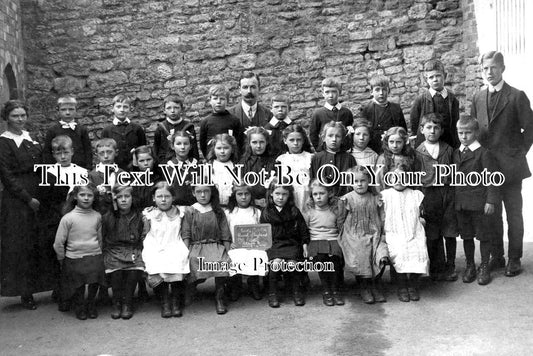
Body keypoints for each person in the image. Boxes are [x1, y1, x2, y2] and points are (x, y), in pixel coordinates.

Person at [470, 50, 533, 276]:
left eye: (493, 68)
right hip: (488, 169)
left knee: (513, 213)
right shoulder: (478, 97)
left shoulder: (517, 96)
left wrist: (518, 153)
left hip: (512, 168)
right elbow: (473, 130)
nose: (489, 72)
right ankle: (497, 256)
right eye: (485, 68)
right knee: (491, 213)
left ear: (502, 68)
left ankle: (514, 258)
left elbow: (530, 129)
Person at [0, 100, 56, 309]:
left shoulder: (29, 139)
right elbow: (6, 176)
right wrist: (27, 198)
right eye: (15, 116)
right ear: (7, 118)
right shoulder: (3, 143)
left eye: (23, 115)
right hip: (17, 202)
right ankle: (25, 293)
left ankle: (44, 287)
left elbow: (41, 166)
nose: (20, 119)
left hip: (37, 196)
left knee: (38, 242)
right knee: (21, 246)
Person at [453, 117, 499, 285]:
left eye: (468, 132)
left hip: (479, 203)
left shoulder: (484, 153)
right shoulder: (455, 153)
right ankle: (470, 265)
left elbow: (492, 180)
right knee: (466, 236)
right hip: (461, 203)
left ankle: (485, 266)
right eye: (460, 133)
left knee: (483, 236)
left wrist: (491, 201)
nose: (464, 136)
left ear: (476, 133)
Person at [414, 113, 458, 281]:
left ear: (441, 130)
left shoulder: (448, 149)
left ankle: (451, 264)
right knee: (433, 232)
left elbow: (455, 174)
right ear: (422, 130)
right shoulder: (418, 152)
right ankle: (436, 266)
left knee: (450, 231)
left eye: (436, 128)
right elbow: (416, 178)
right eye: (429, 128)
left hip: (446, 194)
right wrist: (419, 201)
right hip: (428, 194)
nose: (432, 131)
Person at [53, 184, 106, 320]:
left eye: (90, 195)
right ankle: (80, 306)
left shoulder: (97, 216)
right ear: (75, 197)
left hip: (94, 254)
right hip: (74, 256)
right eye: (83, 195)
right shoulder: (68, 218)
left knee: (95, 280)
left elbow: (100, 238)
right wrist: (61, 259)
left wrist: (100, 254)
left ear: (94, 198)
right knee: (79, 283)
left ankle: (91, 304)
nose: (86, 198)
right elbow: (59, 242)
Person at [338, 167, 389, 304]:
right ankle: (364, 287)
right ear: (350, 182)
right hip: (354, 235)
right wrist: (344, 235)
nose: (359, 184)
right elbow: (340, 220)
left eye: (363, 181)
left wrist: (382, 232)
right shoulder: (347, 199)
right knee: (362, 254)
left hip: (374, 234)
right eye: (355, 181)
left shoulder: (375, 198)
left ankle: (375, 285)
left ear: (369, 181)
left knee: (381, 253)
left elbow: (381, 216)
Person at [381, 165, 429, 302]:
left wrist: (422, 217)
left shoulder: (415, 195)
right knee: (400, 252)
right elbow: (381, 216)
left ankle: (412, 285)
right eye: (395, 177)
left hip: (413, 231)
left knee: (418, 250)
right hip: (394, 232)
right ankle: (402, 286)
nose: (399, 180)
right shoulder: (385, 195)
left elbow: (422, 213)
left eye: (403, 177)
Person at [182, 185, 232, 314]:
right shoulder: (190, 210)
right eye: (199, 192)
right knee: (193, 260)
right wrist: (185, 252)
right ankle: (190, 289)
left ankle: (219, 297)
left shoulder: (217, 210)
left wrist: (228, 251)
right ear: (193, 193)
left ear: (211, 192)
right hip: (197, 246)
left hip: (215, 245)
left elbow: (225, 233)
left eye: (206, 191)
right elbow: (186, 233)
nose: (203, 195)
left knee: (222, 261)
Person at [142, 182, 190, 318]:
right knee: (155, 263)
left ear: (173, 198)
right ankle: (165, 302)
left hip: (174, 243)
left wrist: (185, 249)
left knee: (177, 260)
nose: (163, 200)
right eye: (160, 196)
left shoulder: (180, 212)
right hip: (155, 245)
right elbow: (144, 234)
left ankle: (175, 302)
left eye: (167, 196)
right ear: (153, 198)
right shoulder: (148, 214)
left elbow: (185, 233)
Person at [260, 179, 309, 308]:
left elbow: (303, 229)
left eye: (284, 194)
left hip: (291, 244)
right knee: (276, 264)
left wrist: (304, 244)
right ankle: (273, 294)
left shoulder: (294, 211)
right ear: (271, 194)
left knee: (292, 264)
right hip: (274, 245)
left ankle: (296, 292)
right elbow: (262, 233)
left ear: (289, 195)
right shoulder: (266, 212)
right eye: (277, 194)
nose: (280, 197)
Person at [102, 184, 145, 319]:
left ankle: (127, 302)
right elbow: (103, 237)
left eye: (127, 196)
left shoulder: (139, 216)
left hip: (132, 248)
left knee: (133, 270)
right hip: (114, 249)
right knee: (117, 272)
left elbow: (142, 236)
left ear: (132, 198)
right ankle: (117, 302)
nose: (123, 200)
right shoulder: (108, 217)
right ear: (115, 200)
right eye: (119, 197)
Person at [303, 180, 344, 306]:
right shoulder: (309, 211)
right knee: (321, 259)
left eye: (322, 193)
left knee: (335, 259)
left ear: (329, 193)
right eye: (315, 194)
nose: (319, 197)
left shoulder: (334, 210)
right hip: (315, 240)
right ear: (311, 196)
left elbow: (340, 228)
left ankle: (335, 290)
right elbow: (304, 231)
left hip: (333, 239)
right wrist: (304, 246)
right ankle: (326, 290)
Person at [225, 183, 266, 301]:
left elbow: (262, 231)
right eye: (240, 194)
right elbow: (226, 231)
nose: (243, 197)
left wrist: (259, 243)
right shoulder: (229, 212)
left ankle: (253, 284)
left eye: (246, 194)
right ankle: (235, 286)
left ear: (251, 195)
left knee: (257, 256)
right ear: (234, 195)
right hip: (235, 246)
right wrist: (230, 243)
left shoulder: (256, 212)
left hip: (253, 246)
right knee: (234, 257)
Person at [410, 59, 460, 149]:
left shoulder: (452, 99)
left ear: (445, 76)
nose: (435, 80)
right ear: (426, 79)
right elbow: (414, 123)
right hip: (427, 144)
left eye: (438, 76)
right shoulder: (420, 100)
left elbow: (455, 122)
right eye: (431, 77)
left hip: (448, 143)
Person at [42, 96, 93, 170]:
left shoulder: (82, 130)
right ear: (58, 111)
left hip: (79, 168)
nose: (67, 112)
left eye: (71, 109)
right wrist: (50, 170)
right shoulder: (52, 130)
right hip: (59, 169)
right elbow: (47, 152)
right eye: (63, 110)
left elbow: (88, 150)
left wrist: (88, 168)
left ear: (76, 110)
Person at [360, 75, 407, 154]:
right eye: (377, 90)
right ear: (371, 92)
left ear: (388, 91)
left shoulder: (396, 109)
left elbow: (403, 130)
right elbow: (363, 131)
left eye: (384, 90)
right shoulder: (366, 110)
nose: (381, 93)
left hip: (393, 148)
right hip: (373, 149)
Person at [101, 94, 147, 170]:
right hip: (115, 168)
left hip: (135, 168)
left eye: (125, 107)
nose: (122, 110)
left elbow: (143, 148)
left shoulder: (137, 129)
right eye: (118, 106)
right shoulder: (107, 130)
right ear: (112, 108)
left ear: (130, 108)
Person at [310, 121, 356, 197]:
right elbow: (312, 181)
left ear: (342, 139)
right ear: (323, 138)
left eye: (338, 136)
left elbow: (353, 182)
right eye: (330, 136)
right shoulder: (317, 158)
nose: (334, 139)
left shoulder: (349, 158)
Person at [275, 124, 313, 211]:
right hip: (289, 196)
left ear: (303, 141)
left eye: (299, 140)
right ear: (285, 140)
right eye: (291, 140)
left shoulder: (310, 157)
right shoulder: (281, 159)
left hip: (306, 196)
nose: (295, 143)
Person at [309, 77, 354, 152]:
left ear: (339, 92)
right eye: (327, 92)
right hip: (325, 152)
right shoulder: (318, 113)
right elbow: (313, 135)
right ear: (323, 93)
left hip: (343, 152)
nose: (330, 95)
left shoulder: (346, 112)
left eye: (334, 92)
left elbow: (350, 133)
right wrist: (320, 150)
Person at [199, 84, 244, 158]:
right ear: (210, 100)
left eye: (222, 99)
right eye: (215, 98)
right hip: (213, 160)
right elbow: (203, 145)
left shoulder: (234, 121)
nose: (218, 102)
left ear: (227, 101)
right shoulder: (206, 122)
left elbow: (239, 143)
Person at [239, 126, 276, 208]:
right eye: (254, 142)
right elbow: (240, 188)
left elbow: (276, 186)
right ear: (249, 143)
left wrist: (269, 200)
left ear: (267, 142)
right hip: (249, 205)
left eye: (262, 142)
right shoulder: (243, 163)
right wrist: (254, 201)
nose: (258, 146)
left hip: (269, 205)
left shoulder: (273, 162)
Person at [154, 95, 199, 163]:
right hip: (165, 163)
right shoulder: (161, 128)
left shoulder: (188, 127)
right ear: (164, 110)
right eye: (169, 108)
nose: (172, 111)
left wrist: (195, 163)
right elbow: (156, 148)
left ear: (181, 109)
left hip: (186, 163)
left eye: (176, 108)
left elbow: (194, 149)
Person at [88, 138, 124, 216]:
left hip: (120, 214)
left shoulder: (122, 173)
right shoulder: (92, 175)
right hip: (100, 213)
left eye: (109, 152)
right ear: (96, 155)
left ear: (116, 152)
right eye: (101, 153)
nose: (106, 156)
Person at [164, 130, 199, 206]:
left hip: (195, 207)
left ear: (190, 146)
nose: (182, 147)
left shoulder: (197, 165)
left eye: (186, 144)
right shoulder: (168, 167)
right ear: (172, 146)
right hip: (175, 207)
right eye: (178, 144)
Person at [375, 126, 415, 191]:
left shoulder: (410, 157)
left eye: (399, 142)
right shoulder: (383, 159)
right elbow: (379, 181)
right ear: (387, 142)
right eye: (391, 142)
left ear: (404, 142)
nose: (395, 146)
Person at [206, 133, 239, 206]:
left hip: (232, 207)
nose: (222, 151)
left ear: (232, 149)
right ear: (214, 149)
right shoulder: (208, 167)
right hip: (213, 207)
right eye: (219, 148)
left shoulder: (236, 167)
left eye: (226, 148)